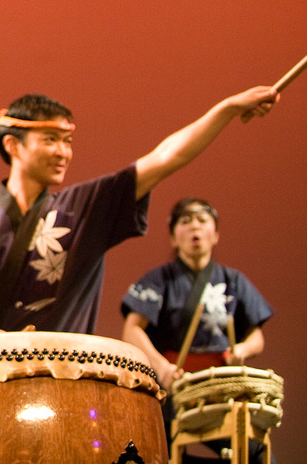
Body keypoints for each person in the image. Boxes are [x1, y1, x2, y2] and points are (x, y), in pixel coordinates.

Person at [0, 87, 279, 336]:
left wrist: (226, 109)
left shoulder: (86, 208)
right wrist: (1, 345)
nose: (63, 152)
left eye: (67, 141)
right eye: (50, 140)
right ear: (13, 145)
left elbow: (166, 158)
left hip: (66, 384)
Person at [121, 197, 274, 463]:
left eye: (203, 221)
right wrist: (162, 367)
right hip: (174, 390)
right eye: (185, 221)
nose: (194, 227)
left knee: (256, 451)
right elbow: (131, 330)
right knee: (151, 450)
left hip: (221, 391)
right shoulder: (159, 280)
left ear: (215, 235)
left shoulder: (233, 281)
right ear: (172, 237)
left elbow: (257, 337)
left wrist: (242, 350)